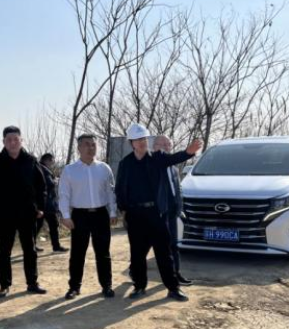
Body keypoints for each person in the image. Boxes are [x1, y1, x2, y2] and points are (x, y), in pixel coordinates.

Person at [115, 123, 201, 302]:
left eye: (144, 139)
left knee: (164, 253)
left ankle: (173, 288)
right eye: (138, 140)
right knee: (137, 254)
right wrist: (123, 210)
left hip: (156, 213)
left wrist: (188, 152)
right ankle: (139, 286)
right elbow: (120, 188)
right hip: (135, 215)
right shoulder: (126, 164)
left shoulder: (157, 158)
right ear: (131, 143)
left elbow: (173, 158)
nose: (142, 142)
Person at [0, 125, 47, 298]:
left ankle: (32, 283)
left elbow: (41, 186)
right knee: (5, 251)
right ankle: (4, 285)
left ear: (21, 140)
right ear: (4, 142)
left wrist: (40, 207)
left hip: (27, 213)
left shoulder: (30, 160)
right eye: (9, 140)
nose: (12, 143)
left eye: (16, 139)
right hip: (4, 213)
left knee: (30, 249)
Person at [59, 134, 117, 300]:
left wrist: (113, 212)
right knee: (77, 253)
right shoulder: (69, 170)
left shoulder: (104, 168)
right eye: (86, 144)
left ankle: (106, 285)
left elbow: (110, 192)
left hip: (100, 214)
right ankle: (74, 287)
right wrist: (66, 216)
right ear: (79, 148)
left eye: (93, 144)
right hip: (79, 216)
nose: (91, 148)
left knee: (103, 252)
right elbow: (64, 194)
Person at [153, 135, 192, 286]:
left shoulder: (175, 169)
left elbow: (178, 189)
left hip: (171, 211)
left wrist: (179, 207)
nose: (166, 146)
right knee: (148, 245)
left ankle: (176, 274)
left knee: (174, 244)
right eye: (162, 143)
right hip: (158, 213)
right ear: (155, 147)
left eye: (168, 144)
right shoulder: (154, 165)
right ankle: (135, 270)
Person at [36, 153, 67, 253]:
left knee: (37, 225)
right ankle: (56, 247)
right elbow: (48, 184)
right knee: (53, 225)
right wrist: (55, 181)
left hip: (41, 203)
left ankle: (30, 245)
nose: (53, 163)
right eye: (52, 161)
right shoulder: (43, 169)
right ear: (47, 160)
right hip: (47, 204)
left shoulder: (38, 167)